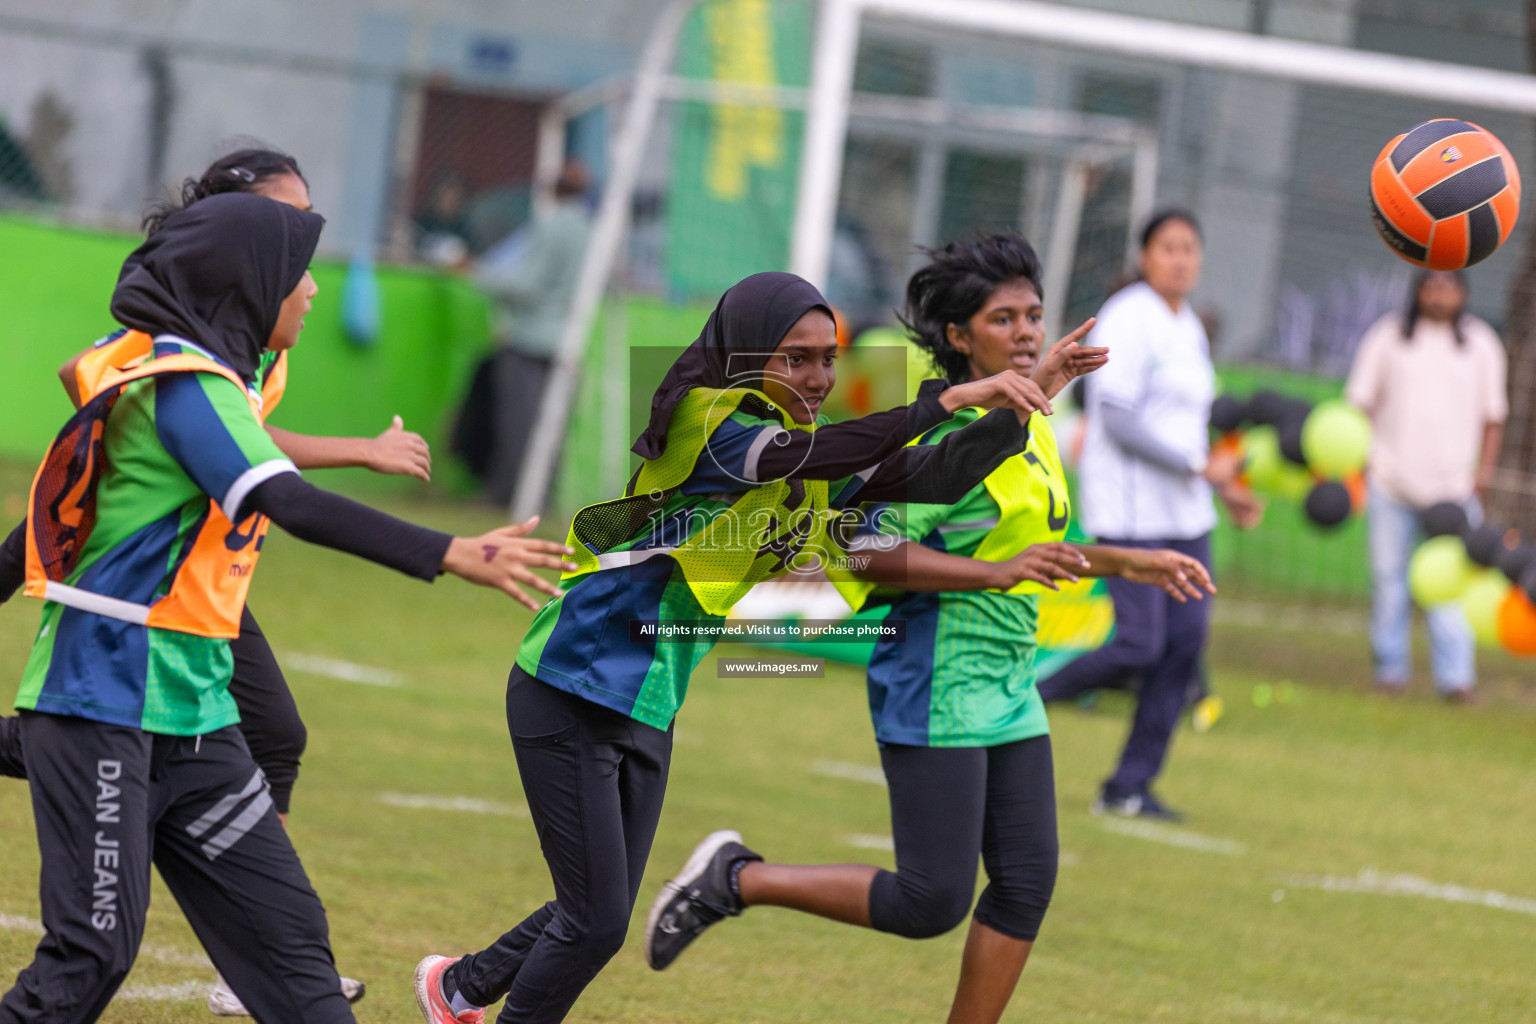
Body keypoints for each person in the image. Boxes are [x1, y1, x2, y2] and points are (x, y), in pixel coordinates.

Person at [413, 270, 1093, 1024]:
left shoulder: (810, 453)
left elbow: (931, 474)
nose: (818, 375)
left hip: (646, 696)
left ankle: (459, 988)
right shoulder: (711, 420)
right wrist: (947, 399)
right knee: (597, 920)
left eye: (828, 357)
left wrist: (1028, 403)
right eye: (794, 357)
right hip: (572, 683)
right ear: (743, 356)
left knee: (597, 909)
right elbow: (807, 455)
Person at [0, 192, 576, 1024]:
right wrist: (449, 551)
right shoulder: (187, 387)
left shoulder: (229, 388)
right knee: (91, 955)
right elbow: (289, 501)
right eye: (296, 274)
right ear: (248, 284)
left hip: (197, 721)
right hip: (104, 704)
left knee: (294, 953)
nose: (309, 292)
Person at [640, 234, 1212, 1024]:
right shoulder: (944, 438)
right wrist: (990, 576)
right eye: (1002, 317)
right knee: (930, 899)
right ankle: (737, 877)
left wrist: (1124, 560)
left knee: (1025, 882)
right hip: (938, 676)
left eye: (1034, 315)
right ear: (957, 335)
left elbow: (1023, 548)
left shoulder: (1033, 419)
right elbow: (862, 550)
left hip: (1007, 680)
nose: (1024, 331)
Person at [1036, 209, 1261, 821]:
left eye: (1190, 247)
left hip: (1188, 516)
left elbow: (1191, 425)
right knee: (1139, 645)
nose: (1181, 258)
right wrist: (1195, 468)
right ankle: (1019, 700)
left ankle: (1128, 787)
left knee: (1183, 647)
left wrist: (1225, 486)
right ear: (1145, 255)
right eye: (1168, 247)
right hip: (1132, 514)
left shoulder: (1187, 324)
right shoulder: (1128, 315)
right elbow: (1119, 418)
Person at [1346, 269, 1506, 702]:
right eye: (1431, 285)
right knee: (1387, 581)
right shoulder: (1388, 336)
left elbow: (1493, 417)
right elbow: (1359, 405)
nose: (1440, 294)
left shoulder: (1481, 344)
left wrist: (1483, 475)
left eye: (1449, 285)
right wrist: (1361, 467)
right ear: (1418, 291)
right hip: (1390, 481)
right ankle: (1389, 670)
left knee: (1450, 587)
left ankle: (1456, 680)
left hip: (1453, 492)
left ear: (1463, 292)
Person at [473, 158, 592, 506]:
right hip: (569, 342)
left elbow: (526, 286)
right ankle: (543, 497)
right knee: (552, 427)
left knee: (518, 425)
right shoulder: (592, 230)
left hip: (529, 339)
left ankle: (505, 496)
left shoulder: (551, 226)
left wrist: (481, 275)